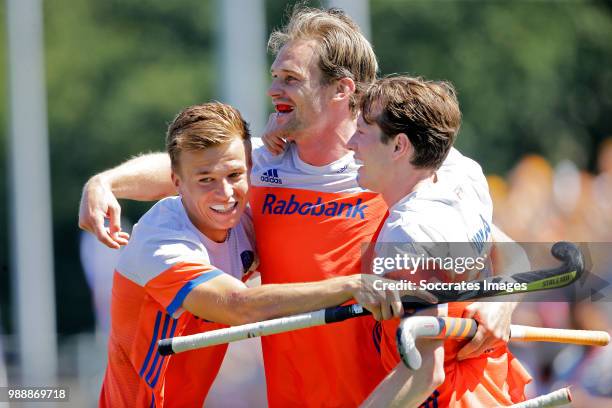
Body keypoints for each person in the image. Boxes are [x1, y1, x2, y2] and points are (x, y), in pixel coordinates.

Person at [80, 6, 519, 406]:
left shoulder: (398, 164)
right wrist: (107, 182)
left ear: (341, 89)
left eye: (290, 78)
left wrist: (504, 298)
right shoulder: (260, 164)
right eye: (274, 76)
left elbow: (495, 243)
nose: (273, 89)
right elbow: (193, 167)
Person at [100, 102, 431, 407]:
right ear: (176, 181)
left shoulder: (243, 221)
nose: (225, 194)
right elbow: (238, 306)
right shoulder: (161, 242)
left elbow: (444, 165)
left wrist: (479, 306)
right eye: (206, 180)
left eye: (234, 175)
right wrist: (352, 286)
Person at [349, 76, 531, 406]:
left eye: (361, 132)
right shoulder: (462, 171)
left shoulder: (408, 235)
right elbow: (515, 255)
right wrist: (502, 299)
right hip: (489, 386)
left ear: (399, 146)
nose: (350, 144)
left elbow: (423, 374)